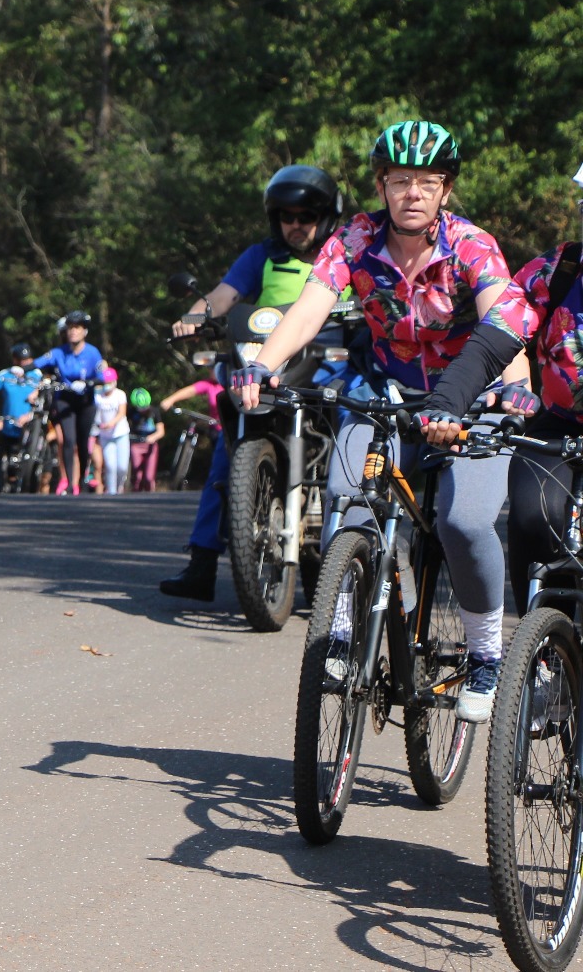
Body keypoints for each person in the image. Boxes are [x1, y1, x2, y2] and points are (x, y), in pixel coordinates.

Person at [235, 121, 538, 721]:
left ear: (446, 190)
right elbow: (308, 309)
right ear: (382, 185)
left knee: (463, 522)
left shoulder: (472, 245)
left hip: (468, 405)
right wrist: (261, 366)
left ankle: (484, 654)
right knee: (347, 496)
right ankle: (344, 633)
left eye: (428, 182)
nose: (413, 194)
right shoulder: (353, 241)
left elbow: (504, 321)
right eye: (400, 181)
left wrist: (513, 389)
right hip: (386, 396)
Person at [159, 163, 346, 601]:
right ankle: (202, 563)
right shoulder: (262, 255)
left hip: (323, 370)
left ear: (326, 217)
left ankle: (345, 558)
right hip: (266, 365)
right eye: (287, 216)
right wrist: (195, 315)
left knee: (352, 449)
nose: (296, 225)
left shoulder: (341, 256)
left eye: (306, 216)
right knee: (228, 454)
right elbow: (226, 294)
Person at [419, 161, 583, 615]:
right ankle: (548, 651)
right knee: (533, 520)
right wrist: (445, 405)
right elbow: (489, 345)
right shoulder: (555, 273)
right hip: (559, 425)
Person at [36, 310, 105, 495]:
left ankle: (82, 478)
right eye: (70, 328)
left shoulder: (92, 352)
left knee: (83, 441)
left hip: (85, 401)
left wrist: (87, 383)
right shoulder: (59, 352)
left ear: (84, 331)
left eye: (77, 328)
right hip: (65, 400)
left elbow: (102, 377)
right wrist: (21, 368)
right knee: (68, 439)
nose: (73, 332)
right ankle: (67, 482)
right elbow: (37, 363)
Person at [0, 341, 43, 485]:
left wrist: (31, 414)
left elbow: (46, 392)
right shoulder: (6, 375)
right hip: (8, 425)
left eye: (28, 360)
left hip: (30, 427)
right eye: (22, 361)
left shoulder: (38, 376)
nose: (25, 364)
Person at [93, 366, 129, 494]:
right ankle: (112, 493)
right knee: (110, 466)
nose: (107, 385)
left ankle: (120, 486)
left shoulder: (120, 395)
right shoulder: (98, 395)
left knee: (122, 467)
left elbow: (122, 413)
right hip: (105, 436)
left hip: (120, 433)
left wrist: (111, 423)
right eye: (105, 383)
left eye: (109, 382)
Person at [128, 387, 164, 492]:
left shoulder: (154, 411)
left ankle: (150, 497)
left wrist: (153, 437)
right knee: (137, 476)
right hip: (136, 444)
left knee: (149, 477)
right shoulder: (131, 412)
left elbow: (161, 431)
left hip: (150, 445)